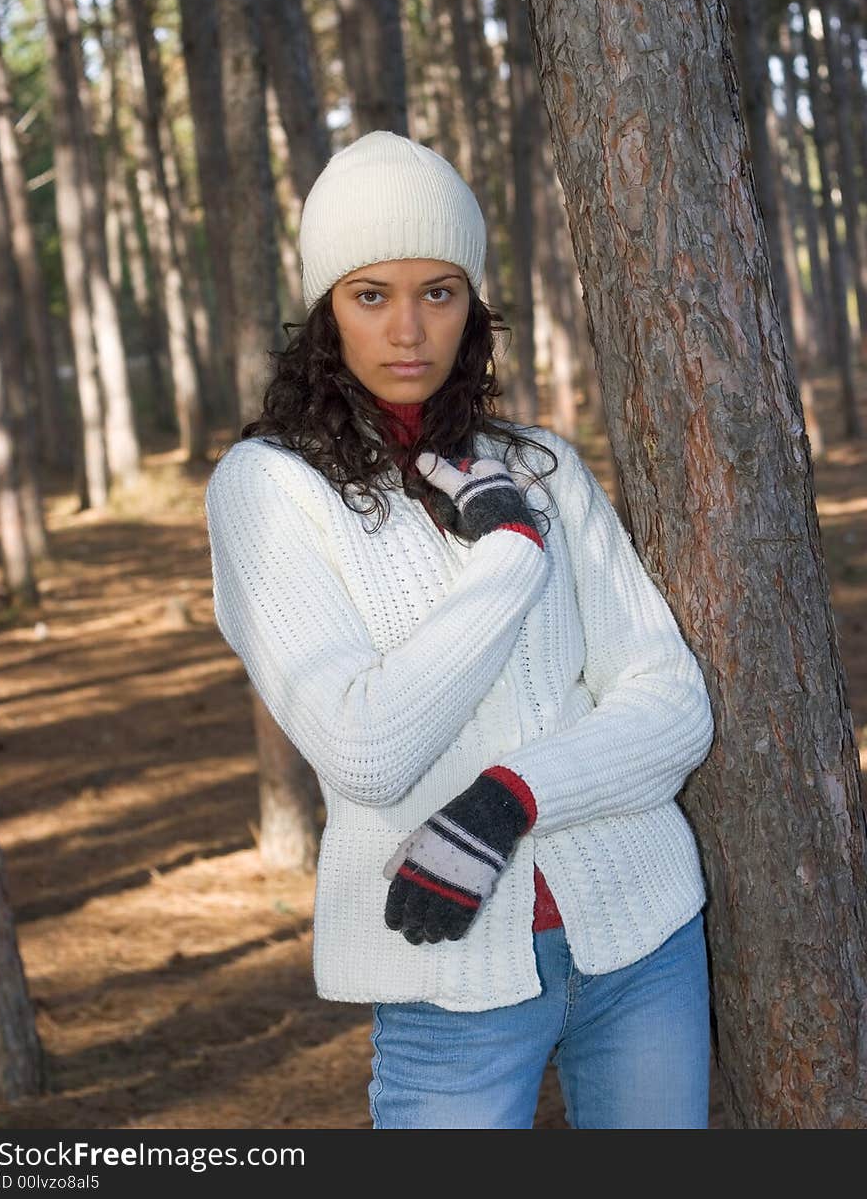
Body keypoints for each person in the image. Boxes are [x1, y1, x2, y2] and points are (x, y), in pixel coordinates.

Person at [204, 130, 715, 1130]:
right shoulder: (269, 490)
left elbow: (671, 703)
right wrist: (509, 558)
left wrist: (508, 799)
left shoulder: (541, 467)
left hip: (644, 940)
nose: (408, 329)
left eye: (438, 292)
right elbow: (366, 746)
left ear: (471, 307)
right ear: (324, 312)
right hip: (447, 973)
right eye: (370, 295)